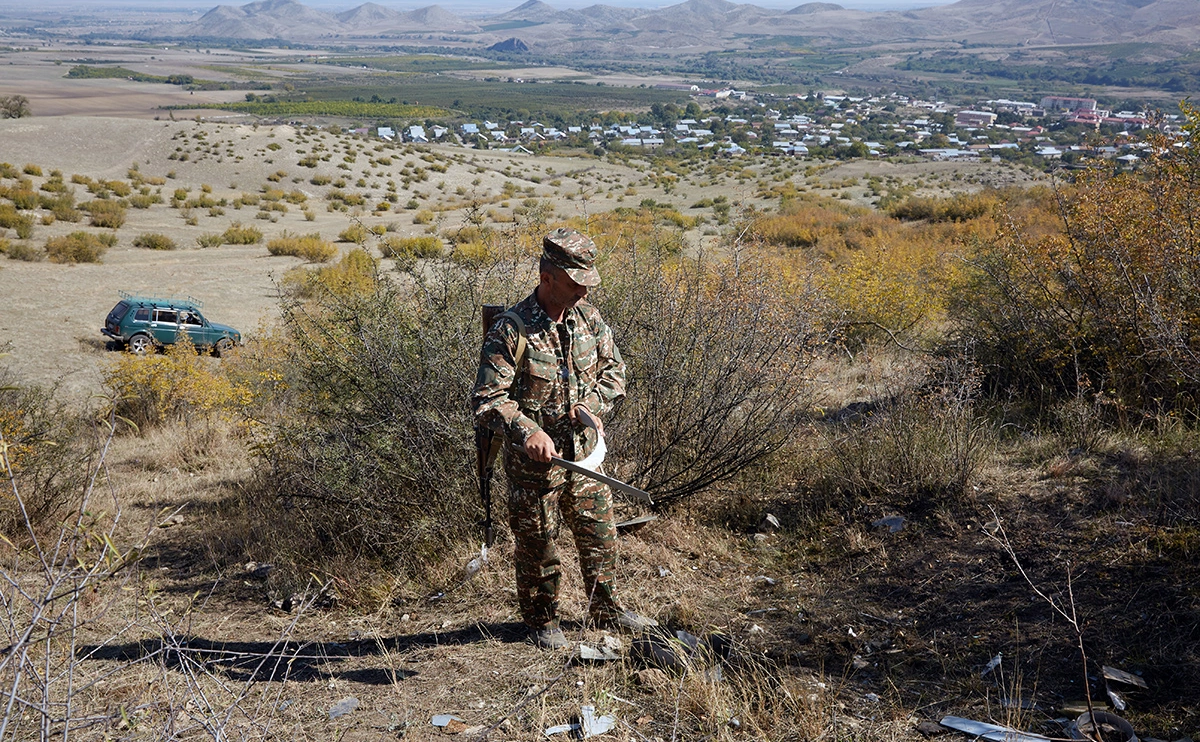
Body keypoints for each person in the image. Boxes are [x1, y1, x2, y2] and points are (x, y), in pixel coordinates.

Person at [471, 228, 657, 650]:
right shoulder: (512, 329)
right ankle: (542, 621)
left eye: (587, 284)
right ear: (547, 276)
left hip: (586, 460)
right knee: (539, 545)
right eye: (574, 284)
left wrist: (593, 405)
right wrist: (528, 430)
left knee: (600, 537)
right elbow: (486, 400)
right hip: (535, 467)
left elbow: (615, 372)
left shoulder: (589, 319)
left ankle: (606, 609)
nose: (582, 293)